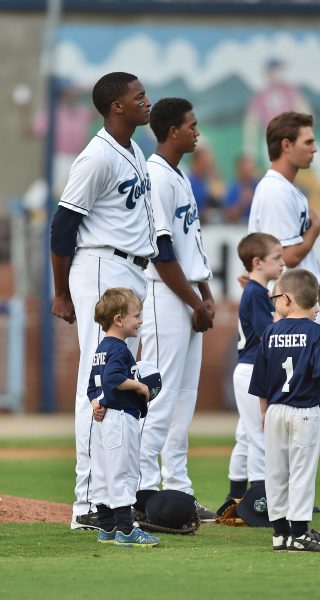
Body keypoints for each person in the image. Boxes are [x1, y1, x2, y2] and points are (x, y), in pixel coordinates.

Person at [50, 72, 157, 529]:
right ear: (117, 106)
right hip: (99, 266)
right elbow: (62, 226)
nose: (147, 102)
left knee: (114, 380)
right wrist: (60, 292)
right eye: (139, 97)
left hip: (129, 267)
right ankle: (88, 503)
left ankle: (107, 496)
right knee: (96, 385)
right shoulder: (96, 157)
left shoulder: (133, 150)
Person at [138, 97, 216, 522]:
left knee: (183, 399)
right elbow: (161, 252)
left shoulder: (177, 174)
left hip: (185, 295)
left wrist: (205, 293)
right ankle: (144, 493)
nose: (197, 131)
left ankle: (179, 492)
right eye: (192, 125)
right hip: (164, 296)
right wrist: (194, 301)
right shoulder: (155, 176)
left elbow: (191, 246)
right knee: (160, 396)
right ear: (173, 131)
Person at [249, 269, 320, 552]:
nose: (274, 301)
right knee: (301, 472)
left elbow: (260, 380)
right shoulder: (319, 333)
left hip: (275, 409)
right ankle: (300, 533)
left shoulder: (271, 332)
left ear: (287, 299)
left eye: (276, 297)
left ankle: (280, 534)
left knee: (275, 471)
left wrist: (264, 412)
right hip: (305, 410)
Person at [87, 288, 160, 547]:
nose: (140, 321)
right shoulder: (118, 348)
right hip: (120, 418)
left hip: (104, 419)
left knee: (104, 472)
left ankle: (107, 529)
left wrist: (97, 403)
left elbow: (92, 388)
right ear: (119, 320)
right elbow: (113, 379)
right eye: (136, 316)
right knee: (123, 473)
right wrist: (140, 387)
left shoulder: (101, 349)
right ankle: (127, 532)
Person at [248, 111, 320, 322]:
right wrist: (314, 231)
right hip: (290, 305)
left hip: (295, 301)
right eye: (308, 142)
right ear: (286, 145)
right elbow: (287, 256)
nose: (314, 149)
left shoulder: (284, 187)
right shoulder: (276, 190)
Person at [224, 233, 284, 503]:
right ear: (257, 262)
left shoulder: (257, 291)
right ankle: (261, 498)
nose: (283, 263)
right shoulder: (257, 293)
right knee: (260, 434)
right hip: (251, 369)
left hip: (247, 368)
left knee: (246, 434)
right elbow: (266, 335)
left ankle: (235, 497)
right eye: (277, 258)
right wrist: (283, 314)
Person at [243, 59, 320, 195]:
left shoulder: (288, 90)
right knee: (278, 178)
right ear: (269, 72)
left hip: (289, 135)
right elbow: (251, 122)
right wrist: (250, 149)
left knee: (317, 154)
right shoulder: (262, 95)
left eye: (279, 70)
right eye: (275, 70)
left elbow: (304, 109)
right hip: (273, 138)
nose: (278, 74)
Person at [188, 146, 225, 223]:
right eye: (205, 160)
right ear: (196, 161)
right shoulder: (188, 181)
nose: (208, 163)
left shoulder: (206, 181)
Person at [222, 154, 259, 223]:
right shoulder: (232, 188)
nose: (249, 169)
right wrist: (242, 203)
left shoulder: (258, 186)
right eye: (246, 167)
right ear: (238, 169)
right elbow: (228, 216)